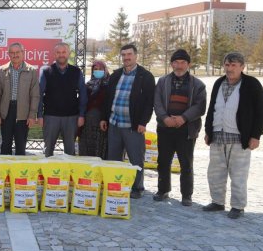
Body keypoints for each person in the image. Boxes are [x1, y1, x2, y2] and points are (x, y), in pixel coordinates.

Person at [203, 52, 263, 219]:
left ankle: (238, 206)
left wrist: (255, 135)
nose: (229, 68)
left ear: (242, 67)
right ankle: (217, 202)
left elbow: (262, 111)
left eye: (233, 65)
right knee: (215, 173)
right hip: (218, 136)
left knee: (238, 175)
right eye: (227, 65)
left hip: (240, 138)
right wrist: (208, 131)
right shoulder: (219, 83)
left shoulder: (251, 84)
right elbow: (212, 108)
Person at [100, 44, 155, 199]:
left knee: (136, 158)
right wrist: (105, 118)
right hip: (114, 123)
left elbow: (149, 103)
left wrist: (143, 122)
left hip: (133, 125)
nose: (126, 58)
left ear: (136, 56)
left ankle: (137, 187)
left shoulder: (146, 76)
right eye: (123, 55)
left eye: (129, 54)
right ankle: (116, 185)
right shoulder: (116, 75)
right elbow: (108, 98)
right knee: (114, 158)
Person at [152, 49, 206, 206]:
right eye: (176, 62)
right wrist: (164, 118)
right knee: (163, 161)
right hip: (165, 127)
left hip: (187, 129)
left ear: (188, 64)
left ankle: (187, 195)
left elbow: (200, 106)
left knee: (186, 163)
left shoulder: (198, 85)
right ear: (171, 64)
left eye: (183, 62)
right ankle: (163, 190)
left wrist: (183, 118)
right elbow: (157, 102)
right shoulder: (162, 82)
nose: (179, 66)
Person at [39, 42, 87, 156]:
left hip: (71, 117)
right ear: (54, 54)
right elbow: (39, 95)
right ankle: (47, 174)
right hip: (51, 117)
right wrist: (40, 115)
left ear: (69, 54)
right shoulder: (46, 71)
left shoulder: (76, 72)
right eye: (58, 52)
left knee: (70, 152)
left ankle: (68, 174)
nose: (61, 55)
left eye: (64, 52)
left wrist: (81, 115)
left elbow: (83, 94)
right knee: (48, 151)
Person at [0, 42, 40, 156]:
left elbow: (35, 95)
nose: (15, 55)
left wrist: (32, 115)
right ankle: (4, 172)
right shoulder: (1, 70)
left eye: (17, 52)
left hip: (23, 113)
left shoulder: (32, 71)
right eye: (12, 53)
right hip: (6, 112)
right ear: (8, 54)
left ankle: (19, 173)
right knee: (5, 145)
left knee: (21, 146)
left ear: (23, 53)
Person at [78, 60, 110, 158]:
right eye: (95, 69)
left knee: (101, 149)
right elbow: (82, 101)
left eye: (100, 69)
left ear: (105, 69)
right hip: (87, 124)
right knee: (86, 150)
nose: (97, 71)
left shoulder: (110, 84)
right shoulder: (88, 85)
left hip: (102, 123)